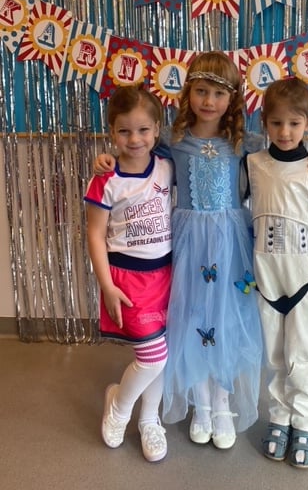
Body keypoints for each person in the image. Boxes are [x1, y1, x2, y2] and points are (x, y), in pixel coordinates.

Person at [93, 52, 308, 451]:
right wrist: (106, 159)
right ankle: (200, 405)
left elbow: (282, 158)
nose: (209, 101)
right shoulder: (172, 142)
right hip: (188, 244)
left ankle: (222, 405)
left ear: (232, 98)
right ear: (189, 92)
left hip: (231, 243)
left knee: (227, 319)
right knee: (192, 319)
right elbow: (137, 156)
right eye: (201, 91)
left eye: (219, 94)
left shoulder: (245, 144)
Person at [245, 78, 308, 469]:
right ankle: (280, 418)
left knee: (302, 355)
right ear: (264, 123)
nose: (285, 132)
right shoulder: (253, 165)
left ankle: (305, 423)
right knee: (275, 356)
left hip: (305, 283)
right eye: (276, 123)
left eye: (294, 123)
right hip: (267, 280)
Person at [84, 84, 174, 463]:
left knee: (162, 352)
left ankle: (150, 419)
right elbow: (94, 234)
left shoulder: (167, 166)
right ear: (112, 132)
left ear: (157, 130)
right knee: (152, 356)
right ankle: (119, 406)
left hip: (167, 275)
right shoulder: (105, 179)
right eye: (124, 131)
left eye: (143, 130)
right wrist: (106, 286)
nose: (134, 139)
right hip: (128, 280)